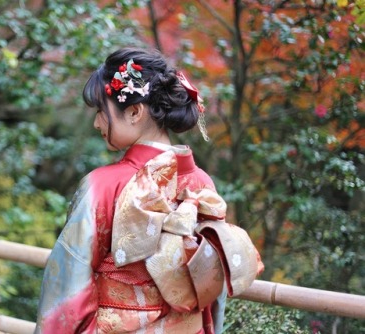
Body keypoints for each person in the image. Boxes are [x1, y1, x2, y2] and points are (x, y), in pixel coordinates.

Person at [34, 47, 263, 334]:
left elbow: (67, 290)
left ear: (133, 111)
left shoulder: (103, 185)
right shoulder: (202, 185)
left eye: (100, 112)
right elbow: (210, 286)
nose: (96, 123)